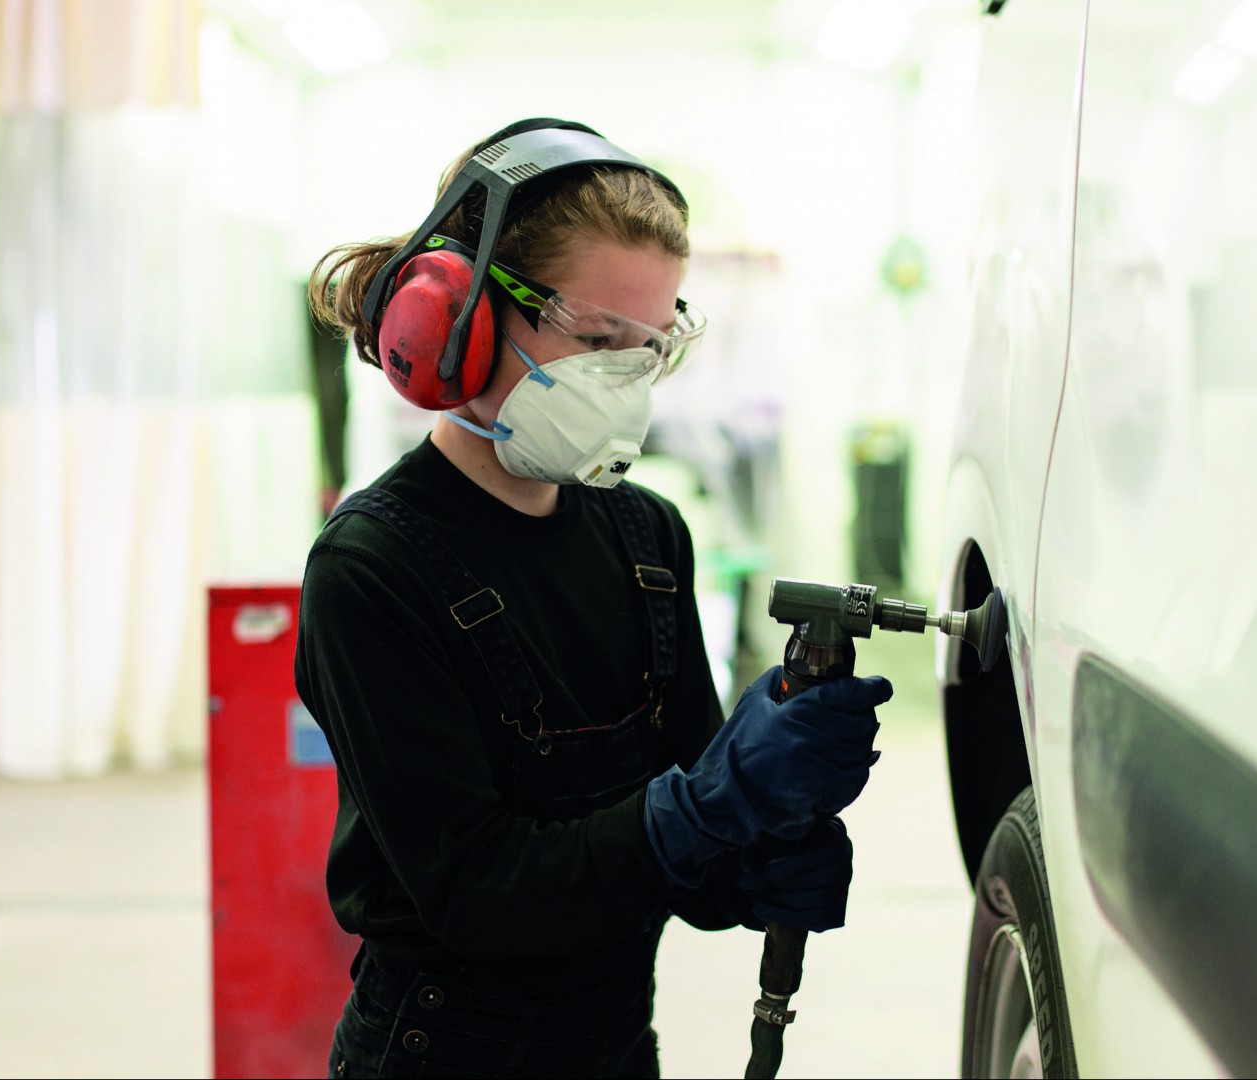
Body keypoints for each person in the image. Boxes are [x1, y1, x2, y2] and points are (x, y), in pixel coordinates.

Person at [296, 117, 893, 1080]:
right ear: (459, 318)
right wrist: (705, 810)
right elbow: (477, 891)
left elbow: (680, 863)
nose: (624, 377)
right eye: (598, 337)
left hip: (616, 1046)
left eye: (650, 347)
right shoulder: (371, 570)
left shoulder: (647, 537)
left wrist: (757, 845)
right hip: (442, 1052)